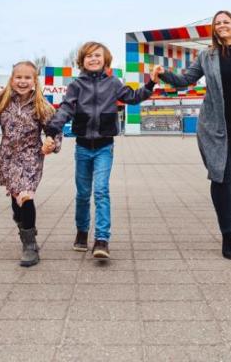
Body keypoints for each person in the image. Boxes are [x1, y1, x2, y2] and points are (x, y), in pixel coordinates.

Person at [158, 11, 231, 260]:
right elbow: (185, 79)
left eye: (225, 22)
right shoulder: (206, 56)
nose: (222, 26)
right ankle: (227, 233)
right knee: (221, 177)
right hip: (215, 128)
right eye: (217, 23)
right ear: (214, 29)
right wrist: (163, 74)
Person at [45, 42, 161, 260]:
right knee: (82, 194)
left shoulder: (113, 83)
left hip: (104, 147)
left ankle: (101, 239)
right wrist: (52, 129)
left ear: (105, 60)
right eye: (89, 56)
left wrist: (151, 83)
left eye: (97, 55)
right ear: (82, 61)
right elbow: (66, 109)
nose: (93, 59)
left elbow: (133, 97)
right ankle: (82, 231)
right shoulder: (76, 85)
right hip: (82, 147)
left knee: (101, 191)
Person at [0, 61, 61, 267]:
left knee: (26, 196)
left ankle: (29, 246)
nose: (22, 81)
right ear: (11, 80)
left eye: (27, 77)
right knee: (16, 202)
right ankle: (24, 226)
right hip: (8, 158)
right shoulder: (1, 103)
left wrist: (51, 143)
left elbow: (54, 130)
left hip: (31, 157)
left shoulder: (42, 106)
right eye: (18, 77)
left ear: (34, 81)